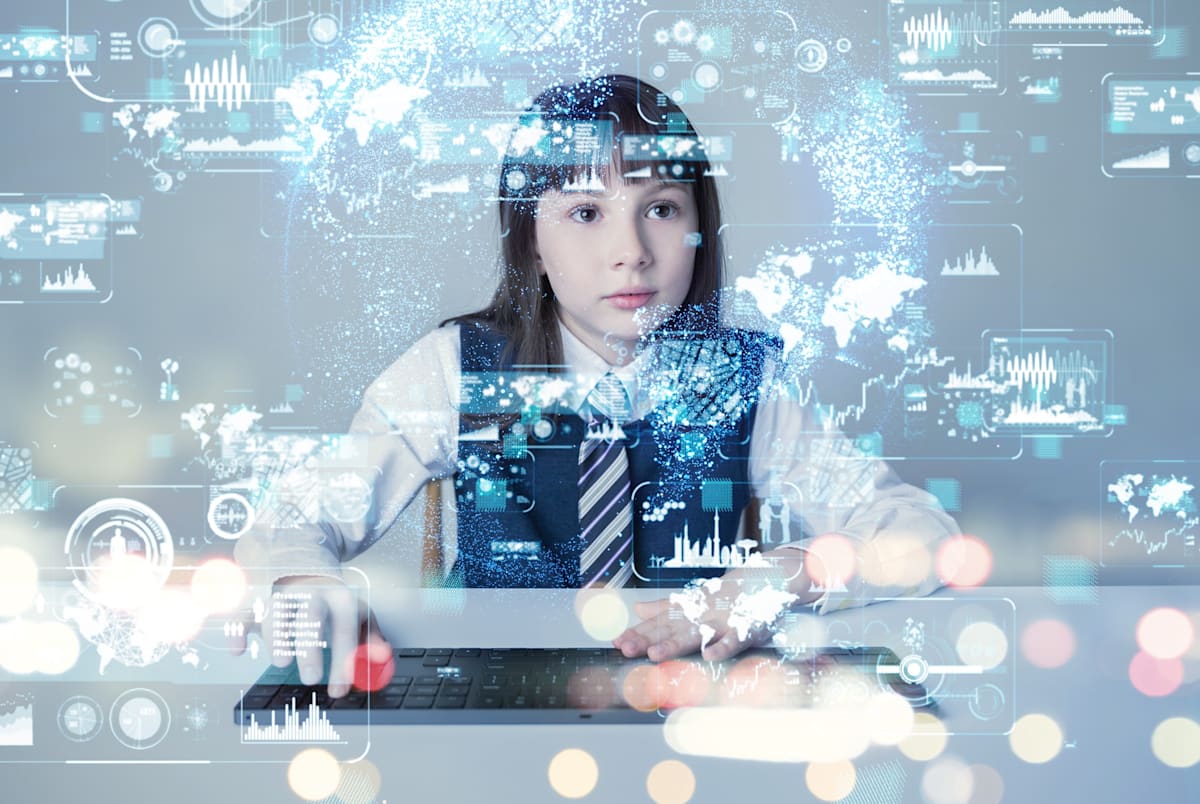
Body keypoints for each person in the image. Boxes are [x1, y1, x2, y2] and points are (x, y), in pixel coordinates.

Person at [233, 74, 959, 697]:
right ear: (530, 242)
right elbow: (292, 518)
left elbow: (920, 533)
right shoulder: (457, 369)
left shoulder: (740, 380)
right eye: (585, 213)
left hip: (693, 699)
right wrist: (299, 578)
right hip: (497, 697)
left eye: (662, 209)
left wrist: (788, 575)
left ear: (700, 227)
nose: (630, 253)